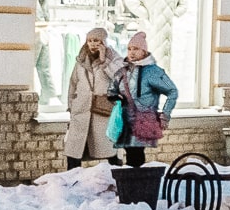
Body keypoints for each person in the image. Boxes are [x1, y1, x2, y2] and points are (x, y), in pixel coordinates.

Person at [113, 29, 180, 168]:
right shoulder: (125, 70)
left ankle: (138, 186)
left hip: (143, 120)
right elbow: (114, 90)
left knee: (135, 156)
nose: (131, 52)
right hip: (125, 121)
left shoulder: (153, 71)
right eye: (129, 49)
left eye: (136, 49)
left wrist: (165, 115)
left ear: (144, 51)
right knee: (130, 155)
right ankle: (133, 185)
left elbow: (172, 91)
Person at [62, 26, 122, 168]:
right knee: (74, 153)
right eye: (90, 40)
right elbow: (73, 84)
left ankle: (118, 182)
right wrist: (72, 105)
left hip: (103, 112)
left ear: (104, 42)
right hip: (81, 111)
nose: (93, 44)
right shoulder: (81, 60)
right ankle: (72, 183)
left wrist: (104, 62)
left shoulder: (114, 58)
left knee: (110, 153)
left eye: (97, 40)